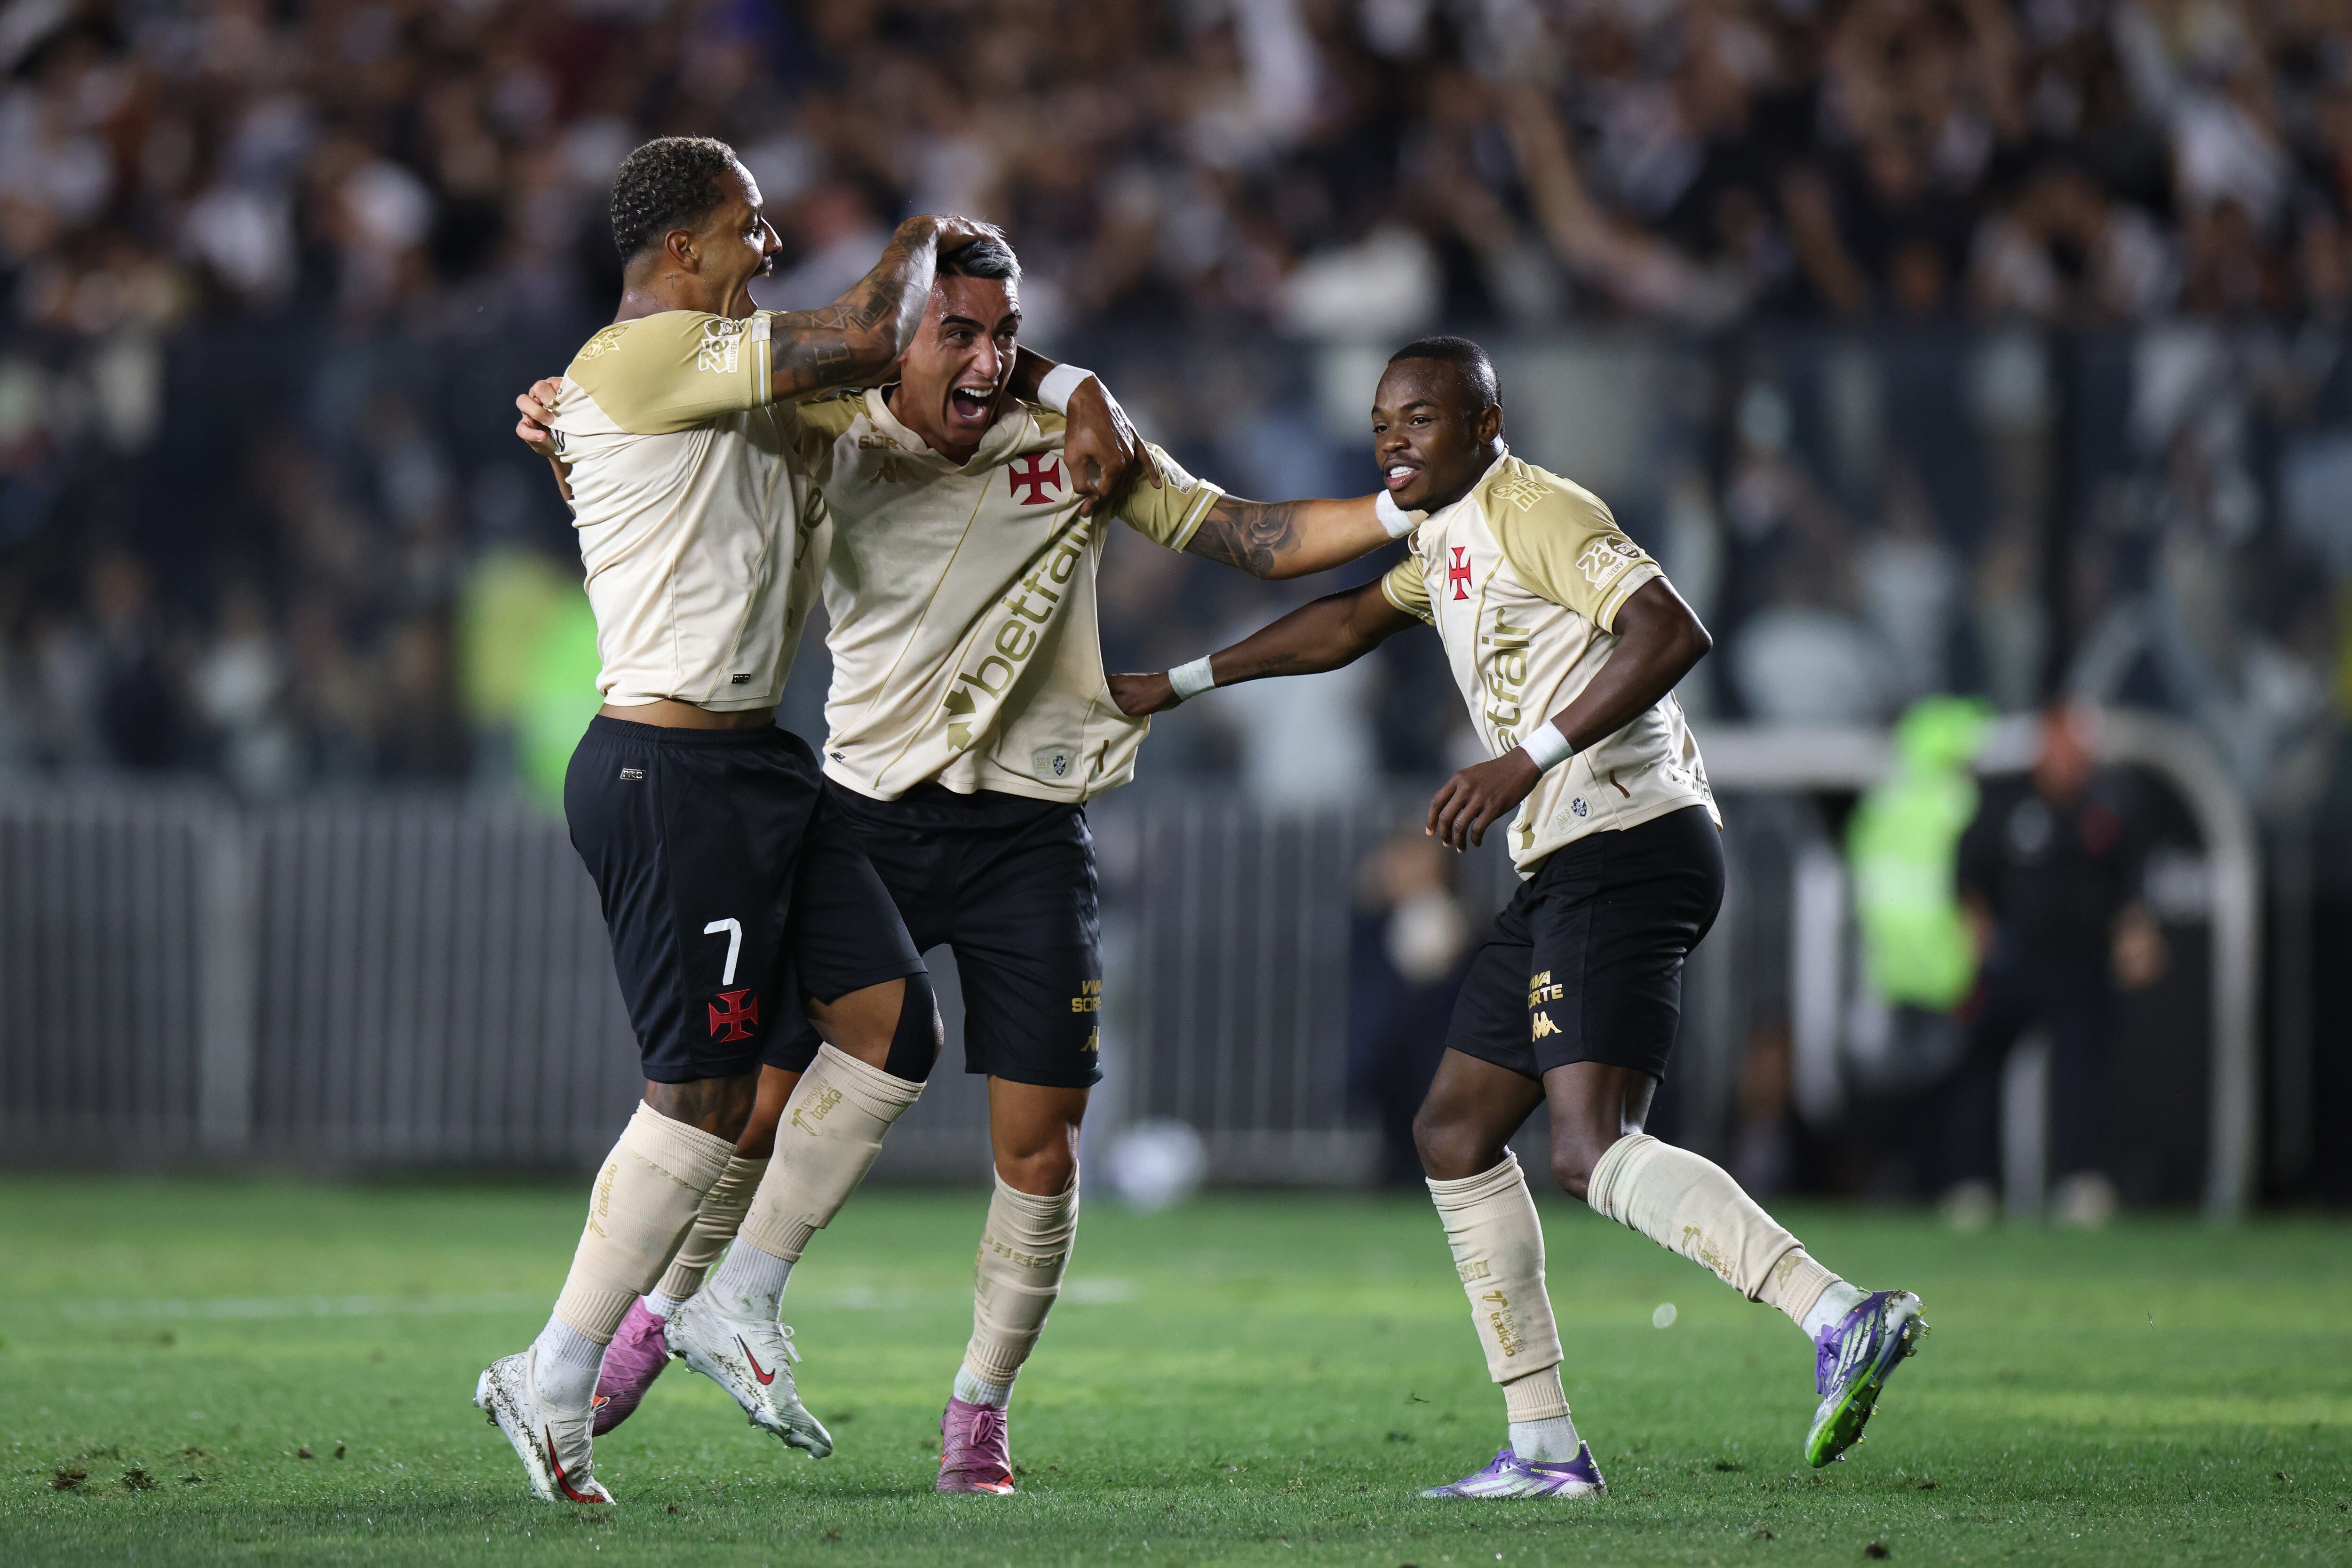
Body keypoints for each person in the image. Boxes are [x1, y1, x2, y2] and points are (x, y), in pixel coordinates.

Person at [514, 236, 1404, 1492]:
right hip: (863, 811)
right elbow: (684, 492)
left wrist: (1405, 504)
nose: (986, 358)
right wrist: (576, 424)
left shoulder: (1074, 438)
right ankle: (662, 1320)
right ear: (900, 337)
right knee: (750, 1103)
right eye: (959, 332)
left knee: (1041, 1148)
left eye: (1007, 334)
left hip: (1032, 833)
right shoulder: (831, 427)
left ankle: (978, 1409)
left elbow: (1251, 536)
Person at [1112, 336, 1930, 1497]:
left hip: (1626, 837)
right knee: (1453, 1131)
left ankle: (1837, 1313)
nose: (1394, 438)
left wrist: (1519, 762)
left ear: (1484, 427)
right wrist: (1174, 686)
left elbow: (1671, 629)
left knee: (1590, 1146)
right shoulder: (1438, 531)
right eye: (1384, 420)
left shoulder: (1534, 507)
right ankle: (1543, 1448)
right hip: (1570, 858)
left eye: (1421, 419)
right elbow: (1339, 626)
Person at [472, 134, 1029, 1508]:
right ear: (680, 252)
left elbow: (857, 378)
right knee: (704, 1094)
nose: (765, 248)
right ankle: (548, 1377)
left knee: (892, 1023)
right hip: (669, 779)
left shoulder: (706, 382)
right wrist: (928, 230)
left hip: (760, 772)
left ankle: (732, 1298)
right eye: (749, 227)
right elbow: (859, 327)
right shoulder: (636, 357)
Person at [1944, 702, 2163, 1226]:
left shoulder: (2105, 812)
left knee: (2081, 1074)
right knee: (1977, 1064)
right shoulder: (2005, 805)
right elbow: (1967, 872)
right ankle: (1972, 1184)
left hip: (2080, 968)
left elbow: (2129, 889)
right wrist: (1976, 931)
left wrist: (2135, 935)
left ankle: (2080, 1180)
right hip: (2014, 964)